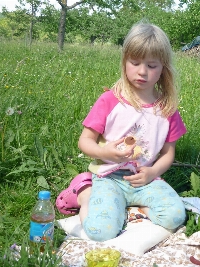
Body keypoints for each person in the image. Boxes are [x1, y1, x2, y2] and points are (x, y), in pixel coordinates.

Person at [57, 21, 186, 242]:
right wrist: (105, 152)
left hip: (144, 178)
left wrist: (153, 173)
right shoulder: (110, 100)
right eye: (134, 62)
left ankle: (126, 209)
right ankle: (85, 193)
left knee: (175, 216)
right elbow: (85, 141)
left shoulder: (167, 109)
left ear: (163, 67)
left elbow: (167, 153)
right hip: (109, 177)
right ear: (124, 61)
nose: (142, 71)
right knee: (100, 232)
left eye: (152, 65)